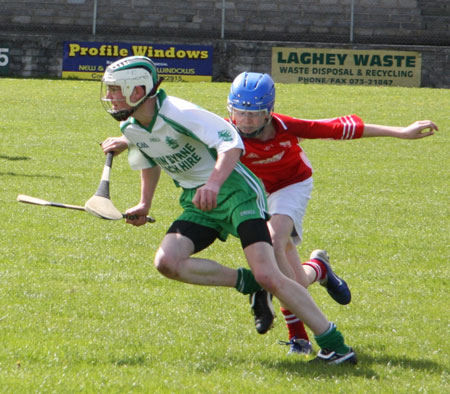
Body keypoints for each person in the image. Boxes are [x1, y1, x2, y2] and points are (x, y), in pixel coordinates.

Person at [99, 55, 357, 365]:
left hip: (236, 193)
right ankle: (247, 284)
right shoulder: (132, 126)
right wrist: (145, 203)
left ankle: (336, 347)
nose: (110, 96)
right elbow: (150, 158)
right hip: (198, 201)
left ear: (137, 90)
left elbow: (231, 143)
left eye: (116, 89)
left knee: (269, 274)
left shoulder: (179, 113)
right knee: (167, 262)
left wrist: (215, 184)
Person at [226, 71, 438, 355]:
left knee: (275, 242)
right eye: (240, 113)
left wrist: (401, 131)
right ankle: (320, 269)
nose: (246, 121)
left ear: (270, 113)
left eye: (255, 114)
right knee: (296, 281)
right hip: (258, 193)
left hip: (292, 185)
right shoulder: (224, 131)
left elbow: (339, 128)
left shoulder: (286, 127)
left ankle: (299, 339)